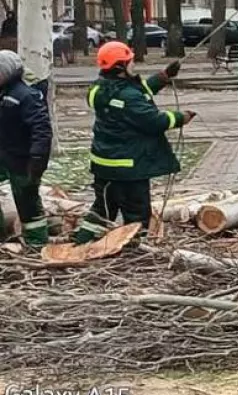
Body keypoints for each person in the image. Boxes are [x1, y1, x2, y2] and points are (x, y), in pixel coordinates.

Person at [75, 41, 195, 244]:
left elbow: (136, 93)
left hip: (104, 166)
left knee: (102, 209)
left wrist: (163, 77)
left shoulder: (98, 90)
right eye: (130, 61)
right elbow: (154, 121)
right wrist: (180, 117)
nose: (133, 65)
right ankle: (134, 249)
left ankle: (81, 243)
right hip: (129, 169)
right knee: (137, 215)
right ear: (120, 67)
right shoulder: (127, 97)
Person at [0, 50, 53, 248]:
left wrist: (37, 160)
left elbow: (41, 131)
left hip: (23, 160)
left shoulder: (26, 95)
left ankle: (37, 244)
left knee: (28, 203)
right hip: (4, 154)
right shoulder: (4, 92)